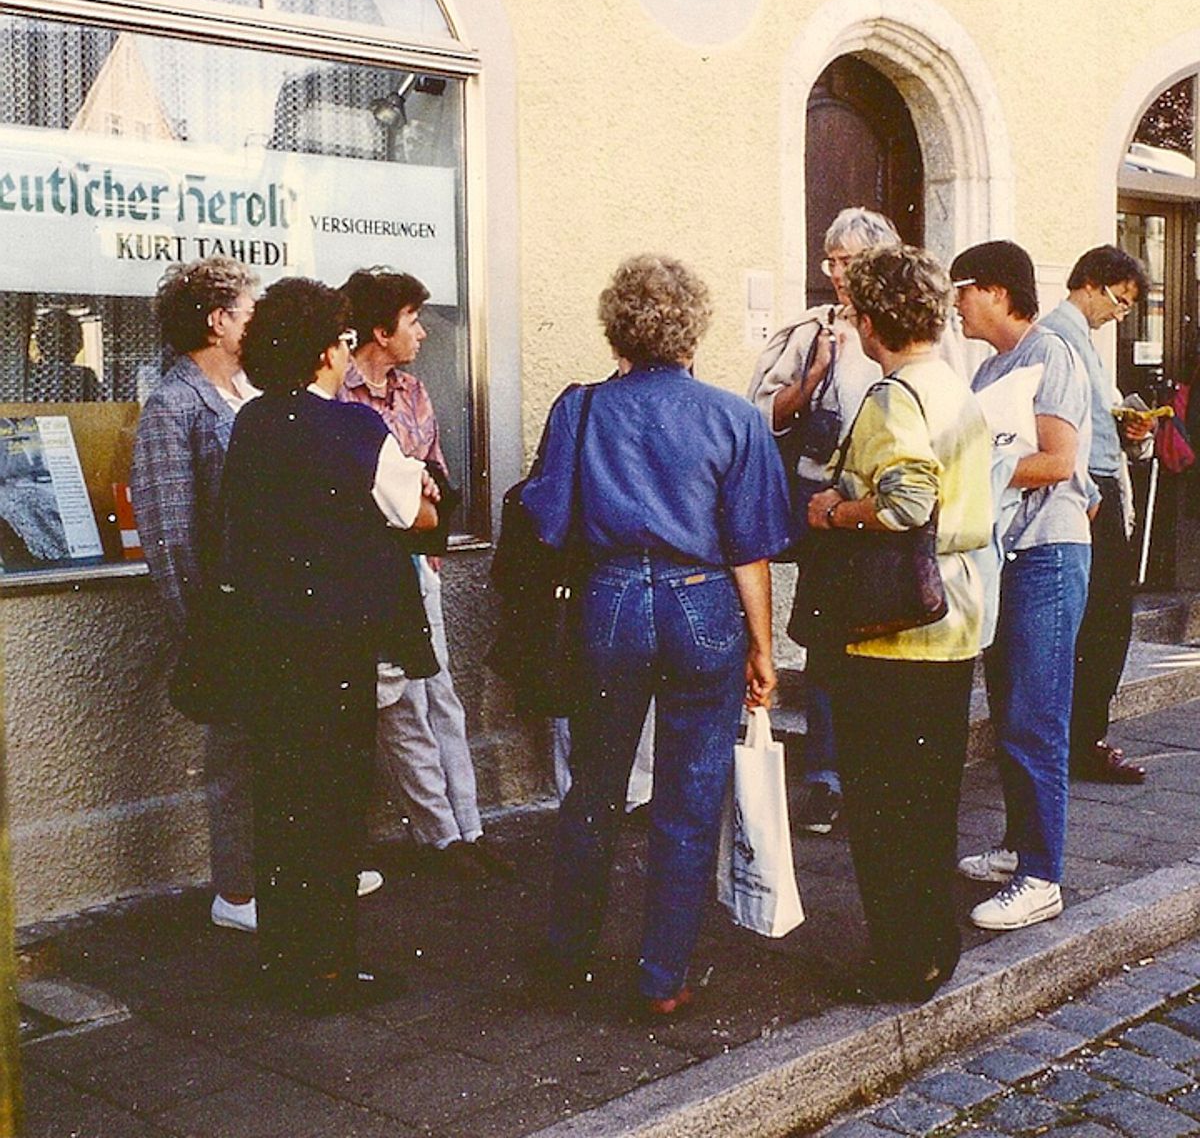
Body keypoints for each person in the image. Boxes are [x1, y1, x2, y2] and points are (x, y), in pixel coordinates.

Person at [523, 254, 791, 1014]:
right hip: (702, 603)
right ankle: (662, 976)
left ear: (617, 330)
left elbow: (546, 519)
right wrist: (764, 648)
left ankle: (568, 951)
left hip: (609, 598)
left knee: (595, 786)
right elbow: (749, 551)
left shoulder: (579, 409)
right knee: (690, 791)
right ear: (692, 331)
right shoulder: (734, 417)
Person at [222, 276, 440, 1012]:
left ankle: (283, 962)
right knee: (337, 807)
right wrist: (416, 494)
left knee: (281, 802)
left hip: (267, 642)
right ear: (324, 351)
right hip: (336, 645)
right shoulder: (354, 428)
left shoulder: (252, 423)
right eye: (343, 340)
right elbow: (415, 514)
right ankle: (328, 971)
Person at [805, 245, 992, 1001]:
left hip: (894, 629)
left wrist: (834, 511)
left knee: (883, 808)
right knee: (930, 801)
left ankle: (901, 961)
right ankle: (932, 946)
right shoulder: (951, 384)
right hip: (954, 617)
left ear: (872, 320)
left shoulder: (894, 396)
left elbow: (907, 501)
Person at [338, 267, 512, 881]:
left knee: (441, 694)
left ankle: (470, 826)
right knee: (403, 704)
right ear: (380, 331)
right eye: (412, 321)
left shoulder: (412, 392)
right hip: (369, 570)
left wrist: (430, 504)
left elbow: (435, 468)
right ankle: (439, 835)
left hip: (417, 562)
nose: (423, 333)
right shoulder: (338, 396)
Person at [953, 241, 1092, 931]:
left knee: (1036, 717)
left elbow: (1059, 461)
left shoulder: (1051, 354)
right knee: (1012, 711)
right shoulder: (990, 368)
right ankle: (1019, 847)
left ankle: (1042, 877)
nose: (955, 304)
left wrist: (974, 474)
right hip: (1008, 554)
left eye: (962, 289)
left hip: (1047, 555)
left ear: (999, 292)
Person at [747, 206, 898, 834]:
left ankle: (877, 775)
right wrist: (811, 379)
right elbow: (761, 415)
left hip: (889, 508)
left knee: (887, 640)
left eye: (849, 260)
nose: (836, 272)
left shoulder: (915, 328)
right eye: (831, 260)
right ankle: (827, 777)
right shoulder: (812, 331)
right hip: (825, 512)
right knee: (830, 645)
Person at [130, 257, 261, 934]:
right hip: (225, 614)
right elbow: (170, 533)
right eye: (248, 311)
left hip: (267, 605)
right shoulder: (174, 403)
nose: (256, 323)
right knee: (235, 752)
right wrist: (203, 629)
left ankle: (274, 874)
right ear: (217, 321)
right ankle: (236, 892)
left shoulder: (249, 391)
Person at [1040, 246, 1152, 784]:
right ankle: (1083, 740)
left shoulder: (1082, 339)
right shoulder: (1059, 338)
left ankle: (1084, 737)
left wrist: (1132, 428)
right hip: (1088, 494)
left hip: (1101, 488)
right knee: (1101, 625)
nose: (1120, 314)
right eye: (1120, 301)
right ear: (1091, 283)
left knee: (1104, 623)